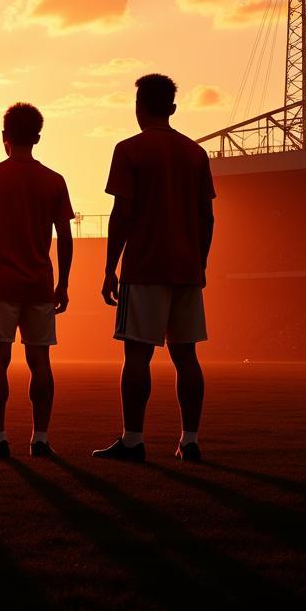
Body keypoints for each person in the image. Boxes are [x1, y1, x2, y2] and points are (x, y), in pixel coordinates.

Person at [93, 73, 216, 463]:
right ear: (173, 108)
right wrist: (202, 262)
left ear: (138, 108)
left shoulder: (129, 149)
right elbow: (207, 216)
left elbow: (122, 212)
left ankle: (133, 439)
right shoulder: (195, 154)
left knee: (137, 356)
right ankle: (191, 439)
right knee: (187, 356)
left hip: (144, 267)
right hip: (185, 267)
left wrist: (110, 266)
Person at [0, 103, 74, 458]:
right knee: (40, 362)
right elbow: (65, 237)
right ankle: (40, 438)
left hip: (0, 282)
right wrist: (64, 283)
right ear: (38, 137)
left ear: (4, 138)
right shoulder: (54, 181)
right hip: (39, 282)